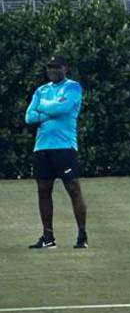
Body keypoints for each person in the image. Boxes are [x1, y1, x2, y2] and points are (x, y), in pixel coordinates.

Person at [24, 56, 88, 249]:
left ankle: (82, 235)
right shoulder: (41, 90)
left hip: (65, 146)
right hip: (42, 147)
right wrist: (50, 110)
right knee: (43, 189)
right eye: (49, 67)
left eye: (56, 67)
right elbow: (29, 116)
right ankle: (48, 237)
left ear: (64, 68)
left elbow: (64, 107)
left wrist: (42, 109)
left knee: (73, 188)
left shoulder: (72, 87)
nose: (52, 71)